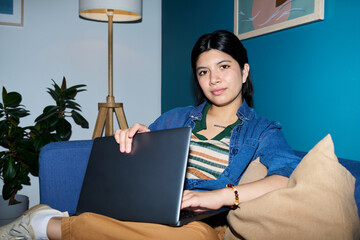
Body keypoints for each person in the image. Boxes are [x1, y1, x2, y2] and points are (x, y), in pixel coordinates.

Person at [0, 30, 300, 240]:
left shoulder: (262, 129)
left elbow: (286, 177)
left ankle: (46, 225)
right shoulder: (177, 117)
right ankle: (58, 224)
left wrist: (218, 197)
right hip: (152, 213)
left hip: (206, 223)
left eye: (224, 66)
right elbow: (137, 175)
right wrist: (137, 142)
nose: (214, 79)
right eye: (203, 71)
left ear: (244, 71)